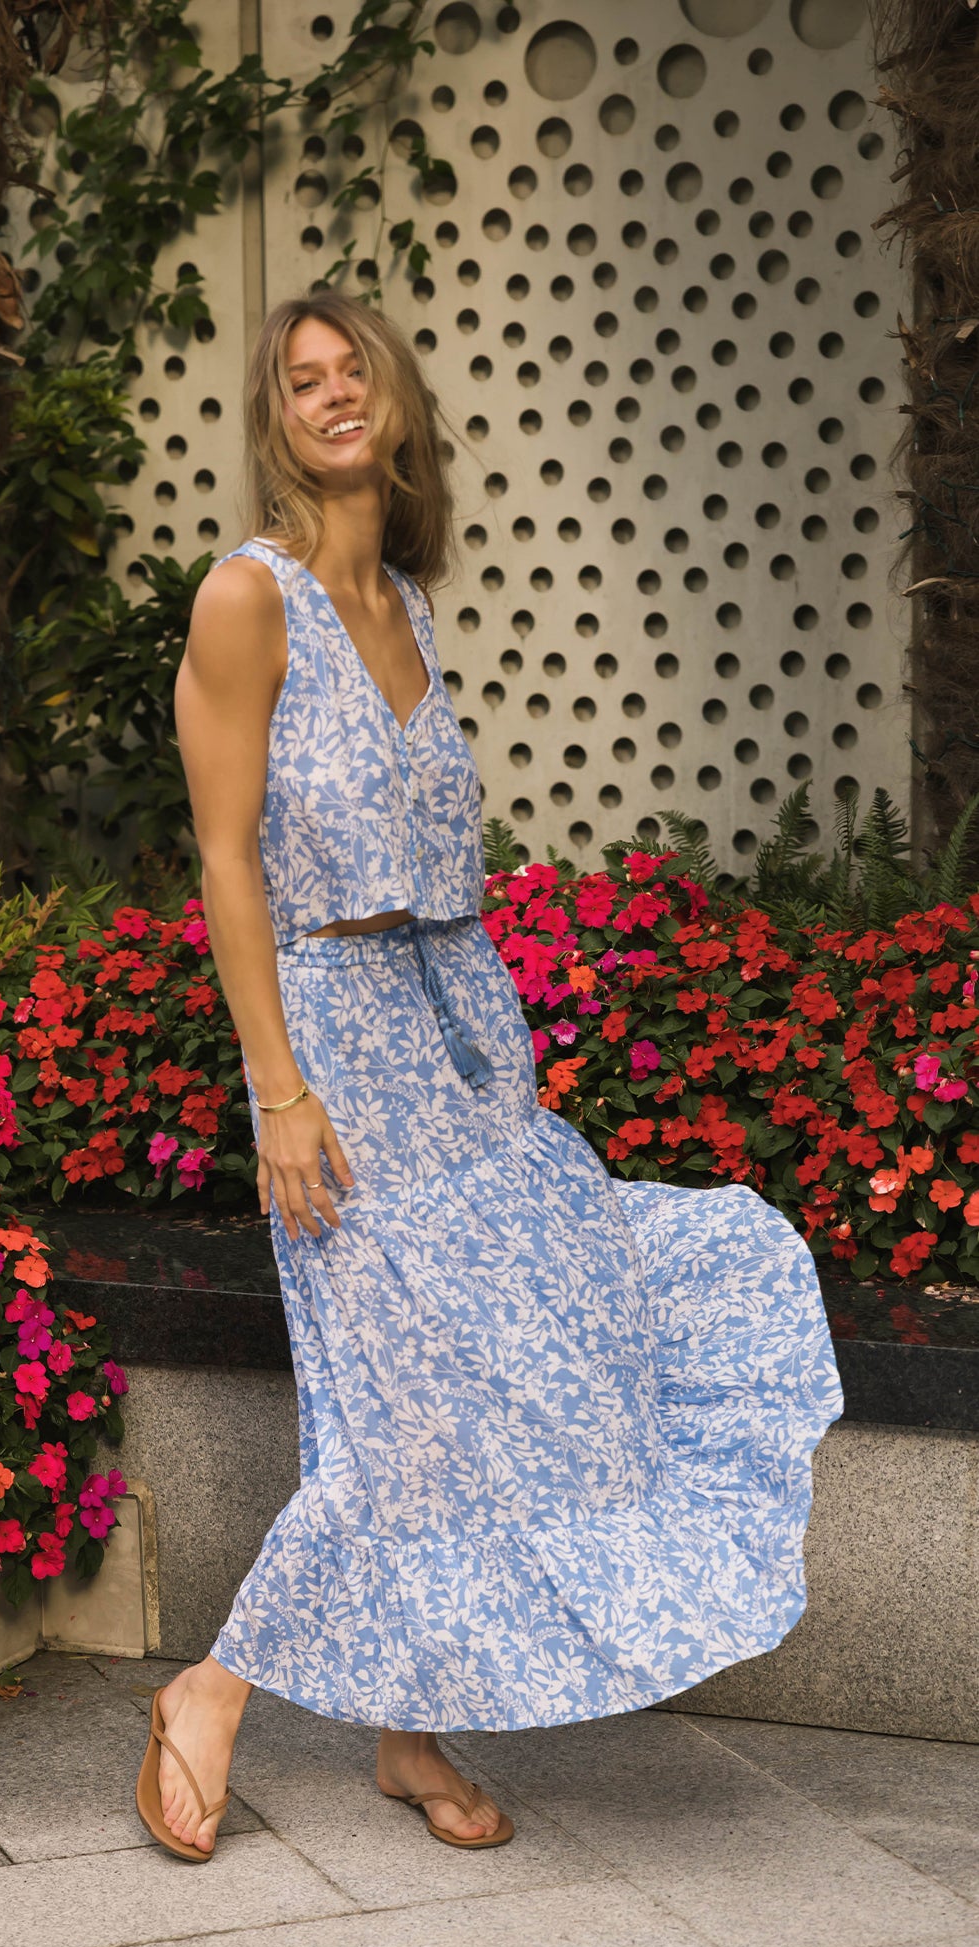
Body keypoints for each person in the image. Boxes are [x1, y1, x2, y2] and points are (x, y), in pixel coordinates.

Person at [134, 291, 844, 1862]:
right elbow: (227, 859)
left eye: (353, 371)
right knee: (393, 1398)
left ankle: (406, 1731)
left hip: (460, 1017)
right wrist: (279, 1089)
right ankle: (216, 1687)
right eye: (302, 380)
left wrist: (483, 1036)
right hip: (332, 1032)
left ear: (392, 399)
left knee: (527, 1347)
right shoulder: (246, 599)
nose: (332, 394)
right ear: (278, 418)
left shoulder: (405, 599)